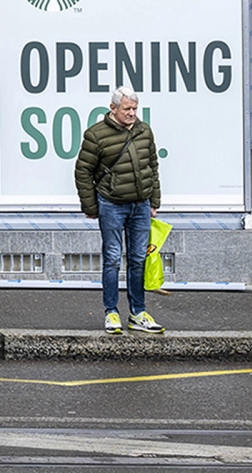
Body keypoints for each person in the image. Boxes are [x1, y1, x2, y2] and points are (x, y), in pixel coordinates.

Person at [75, 87, 164, 335]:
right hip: (111, 204)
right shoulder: (96, 135)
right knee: (113, 258)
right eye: (127, 109)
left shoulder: (144, 131)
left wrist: (154, 201)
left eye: (135, 108)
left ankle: (138, 313)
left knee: (138, 259)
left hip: (141, 205)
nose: (132, 113)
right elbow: (83, 171)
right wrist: (90, 206)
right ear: (113, 108)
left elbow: (152, 166)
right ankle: (111, 312)